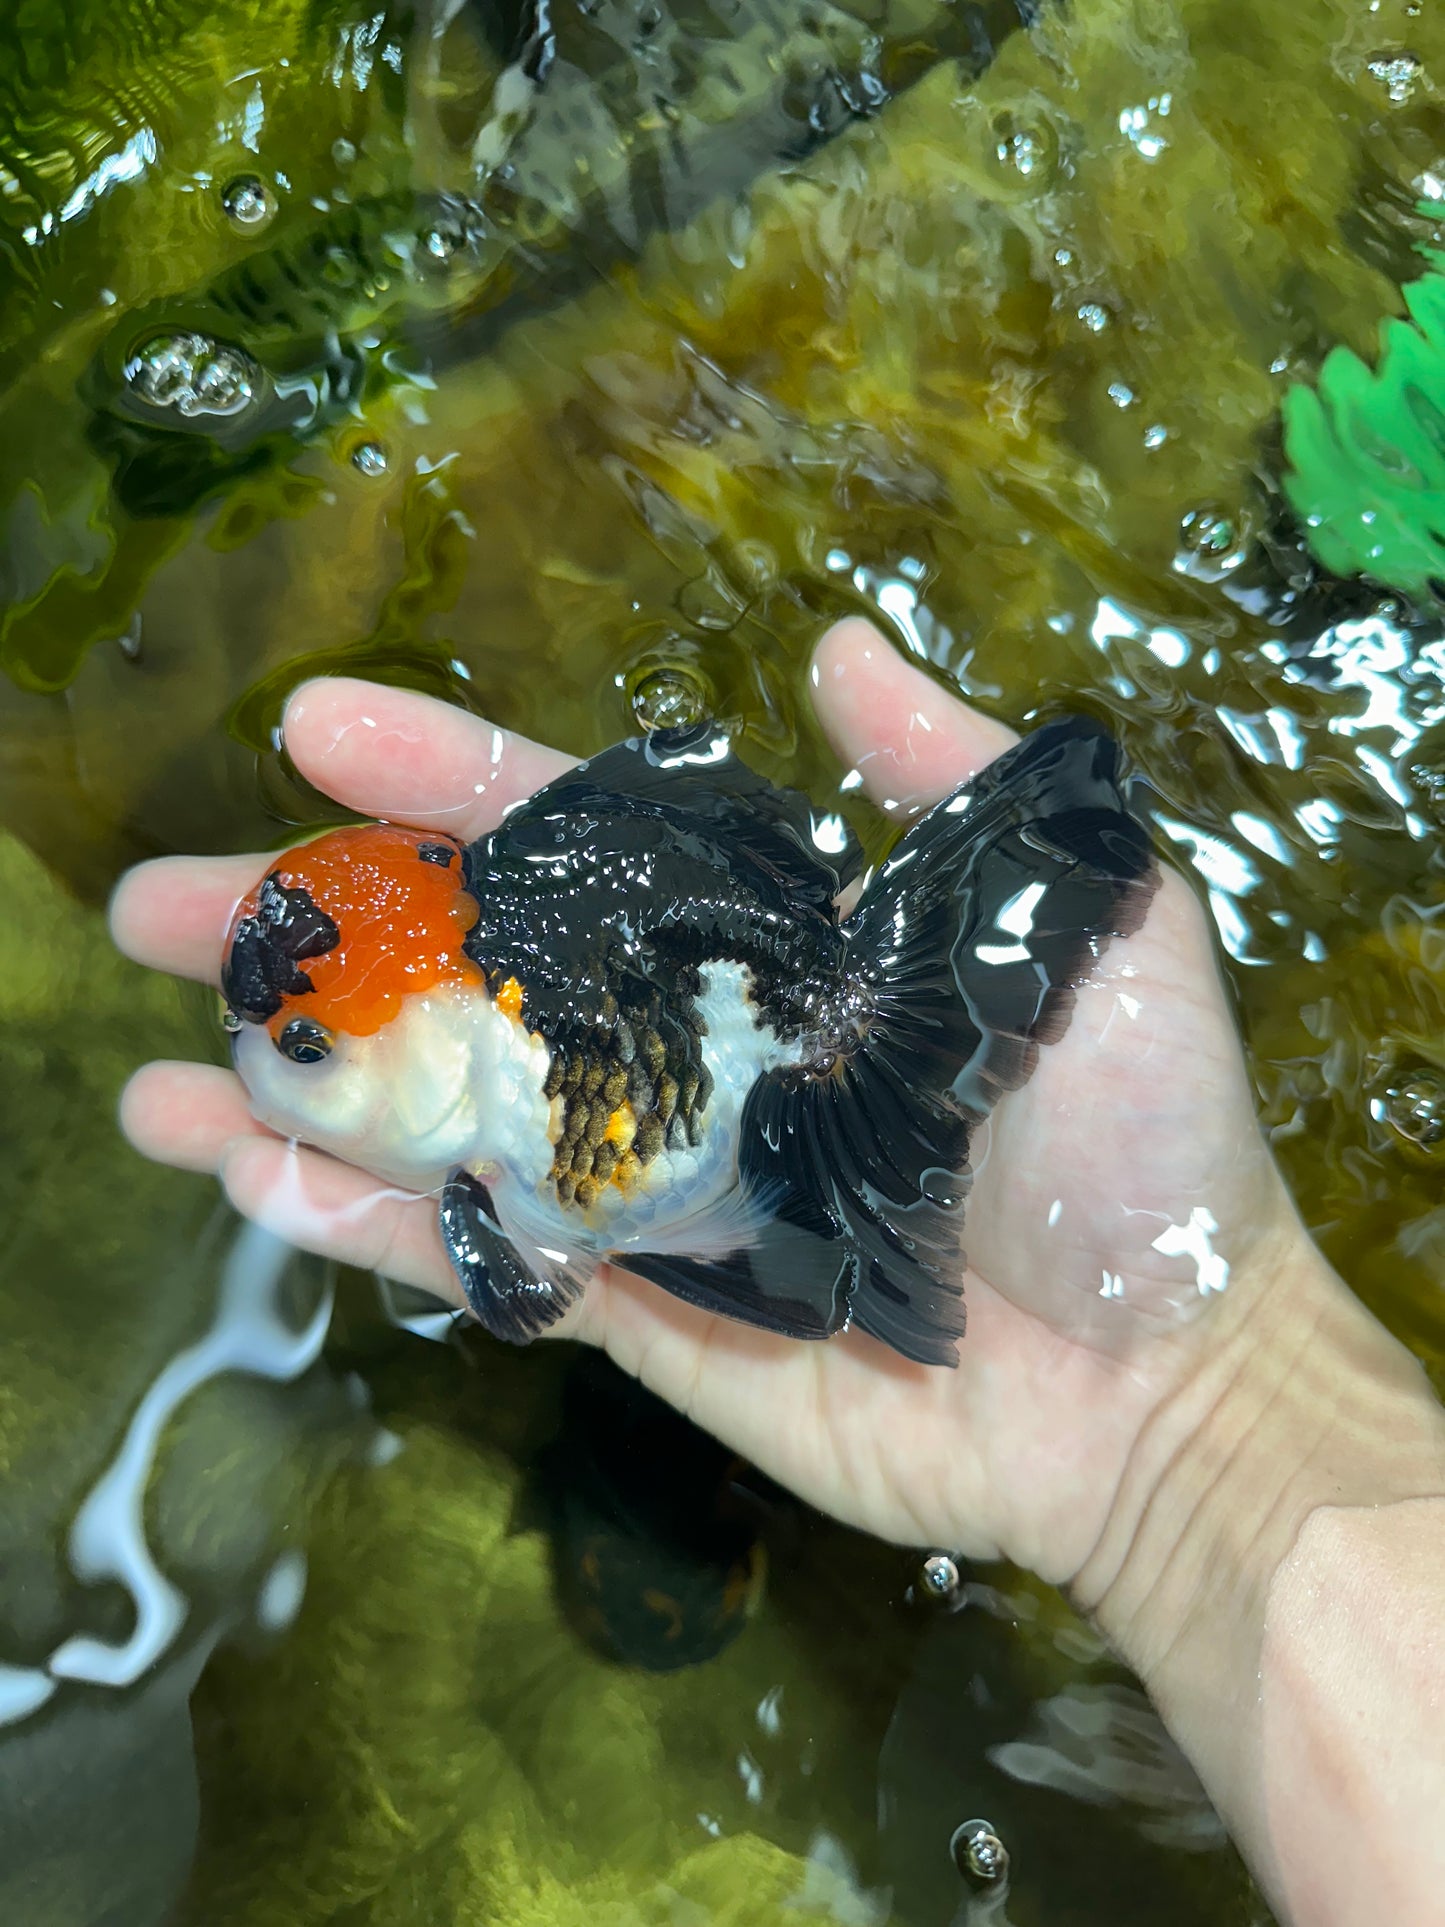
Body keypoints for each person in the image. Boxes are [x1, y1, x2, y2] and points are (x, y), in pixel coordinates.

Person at [110, 616, 1445, 1926]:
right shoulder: (497, 1041)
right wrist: (1208, 1435)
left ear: (439, 1044)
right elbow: (531, 1266)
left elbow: (526, 1274)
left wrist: (1198, 1411)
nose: (267, 1068)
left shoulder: (526, 1065)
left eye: (303, 1052)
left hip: (729, 1102)